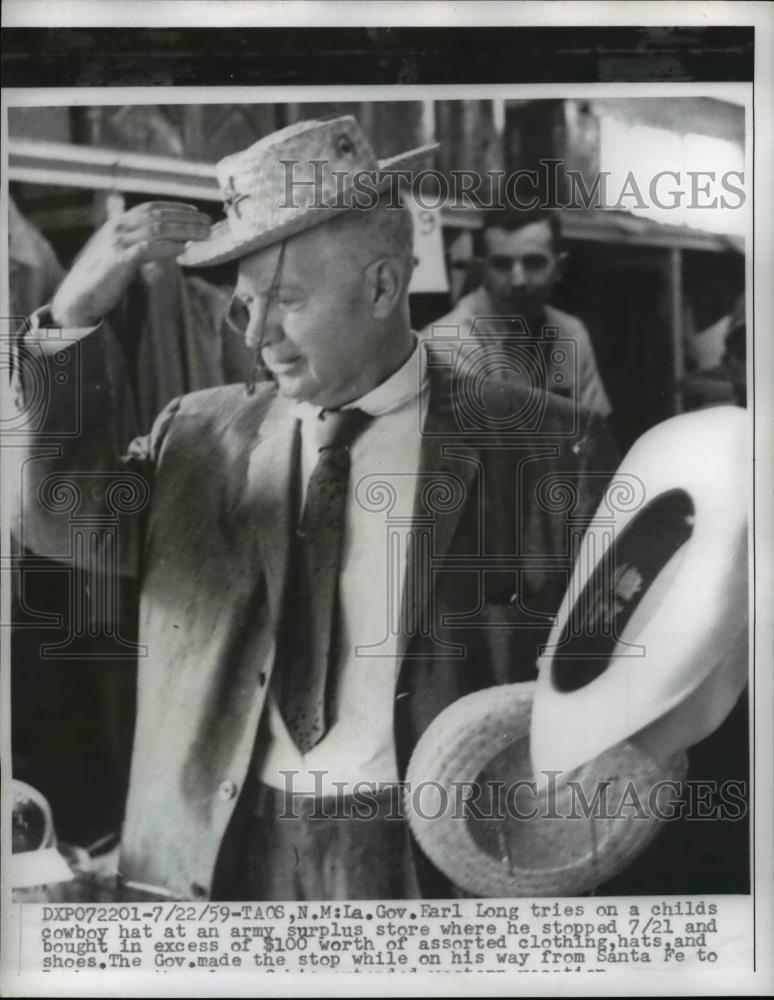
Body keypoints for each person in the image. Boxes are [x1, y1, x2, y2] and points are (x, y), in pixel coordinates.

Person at [11, 116, 617, 901]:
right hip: (219, 863)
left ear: (382, 286)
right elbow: (48, 510)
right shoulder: (195, 436)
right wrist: (64, 323)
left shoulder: (549, 448)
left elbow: (618, 693)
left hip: (439, 863)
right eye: (243, 307)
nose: (260, 337)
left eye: (287, 301)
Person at [422, 208, 612, 418]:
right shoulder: (446, 343)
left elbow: (594, 435)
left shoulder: (571, 331)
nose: (518, 281)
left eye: (533, 263)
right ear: (482, 270)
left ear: (559, 268)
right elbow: (482, 447)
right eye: (502, 265)